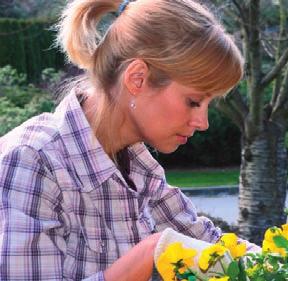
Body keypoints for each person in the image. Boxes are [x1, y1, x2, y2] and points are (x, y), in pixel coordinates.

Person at [0, 0, 258, 280]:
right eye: (194, 101)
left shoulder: (138, 169)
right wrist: (148, 253)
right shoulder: (31, 161)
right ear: (137, 78)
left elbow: (215, 248)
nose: (203, 122)